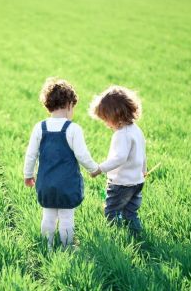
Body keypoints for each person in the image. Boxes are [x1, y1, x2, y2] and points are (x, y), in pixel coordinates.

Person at [24, 77, 99, 250]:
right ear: (69, 105)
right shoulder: (73, 129)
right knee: (66, 218)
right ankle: (66, 247)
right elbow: (82, 155)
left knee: (48, 216)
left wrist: (28, 175)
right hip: (67, 184)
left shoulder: (39, 127)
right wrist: (94, 169)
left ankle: (47, 246)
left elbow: (31, 154)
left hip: (46, 182)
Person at [90, 86, 147, 236]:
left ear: (116, 115)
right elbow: (142, 153)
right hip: (137, 182)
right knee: (130, 212)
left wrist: (99, 168)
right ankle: (136, 233)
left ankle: (113, 236)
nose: (106, 124)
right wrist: (143, 170)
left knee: (112, 211)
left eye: (106, 120)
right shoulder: (136, 130)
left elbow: (119, 158)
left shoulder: (121, 134)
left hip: (121, 184)